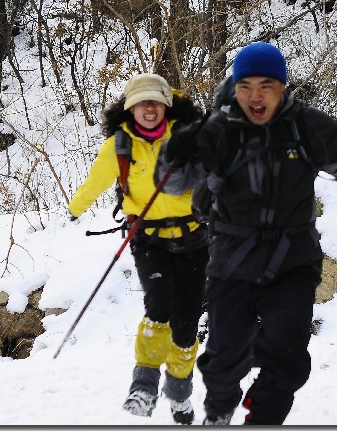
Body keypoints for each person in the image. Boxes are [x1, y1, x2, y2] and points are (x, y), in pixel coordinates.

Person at [157, 41, 337, 425]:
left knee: (290, 362)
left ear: (282, 87)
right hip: (232, 263)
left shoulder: (304, 125)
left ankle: (262, 419)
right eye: (246, 86)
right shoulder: (218, 131)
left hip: (291, 263)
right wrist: (173, 153)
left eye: (266, 85)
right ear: (235, 87)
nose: (255, 96)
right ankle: (220, 412)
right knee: (222, 363)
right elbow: (173, 184)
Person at [68, 74, 209, 425]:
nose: (149, 108)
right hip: (148, 240)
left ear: (165, 105)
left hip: (194, 239)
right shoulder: (119, 146)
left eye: (155, 101)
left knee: (187, 322)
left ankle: (178, 392)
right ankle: (143, 387)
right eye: (141, 102)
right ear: (130, 108)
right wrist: (74, 209)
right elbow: (94, 183)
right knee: (158, 304)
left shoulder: (189, 138)